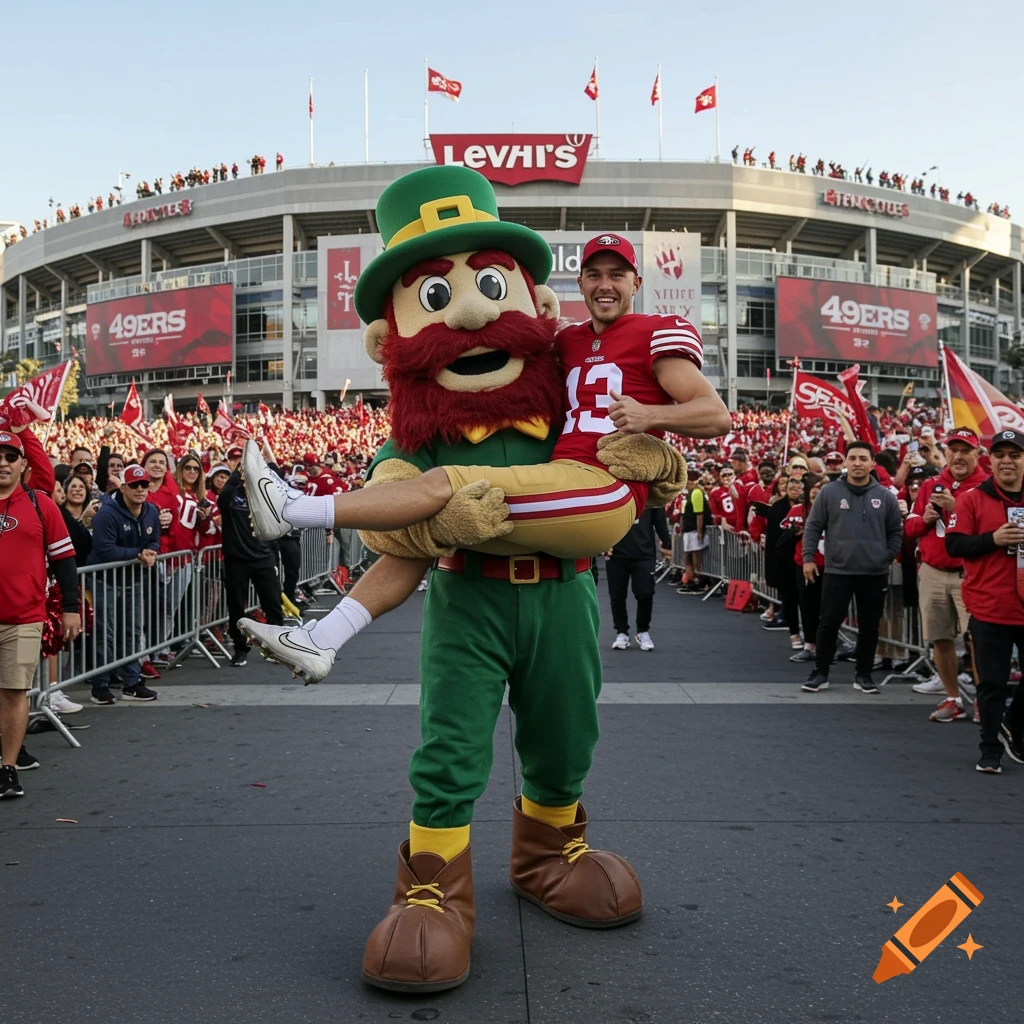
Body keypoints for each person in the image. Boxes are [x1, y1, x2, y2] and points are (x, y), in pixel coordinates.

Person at [241, 230, 725, 680]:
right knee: (421, 532)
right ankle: (319, 638)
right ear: (578, 283)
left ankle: (292, 510)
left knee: (444, 485)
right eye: (594, 275)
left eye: (617, 274)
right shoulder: (565, 341)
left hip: (599, 496)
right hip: (549, 493)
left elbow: (714, 415)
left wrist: (653, 426)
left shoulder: (660, 330)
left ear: (636, 281)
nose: (605, 285)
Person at [0, 432, 80, 799]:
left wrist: (70, 609)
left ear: (22, 465)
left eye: (10, 456)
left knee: (15, 692)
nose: (3, 462)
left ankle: (8, 767)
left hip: (24, 616)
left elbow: (65, 560)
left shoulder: (41, 504)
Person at [945, 428, 1024, 773]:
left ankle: (1011, 722)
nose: (1007, 461)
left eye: (1015, 455)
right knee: (991, 682)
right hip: (990, 605)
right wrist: (993, 539)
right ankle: (989, 748)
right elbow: (955, 545)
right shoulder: (972, 499)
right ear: (989, 460)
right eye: (1000, 455)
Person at [801, 442, 903, 694]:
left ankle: (864, 675)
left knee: (869, 627)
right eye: (853, 458)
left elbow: (895, 532)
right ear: (845, 462)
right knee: (828, 624)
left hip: (874, 573)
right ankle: (820, 672)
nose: (857, 463)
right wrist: (808, 558)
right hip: (838, 571)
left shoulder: (886, 496)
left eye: (863, 458)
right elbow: (813, 527)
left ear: (872, 463)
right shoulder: (829, 492)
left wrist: (885, 556)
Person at [903, 427, 987, 722]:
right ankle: (953, 697)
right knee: (940, 637)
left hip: (971, 573)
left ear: (978, 454)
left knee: (980, 639)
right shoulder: (931, 484)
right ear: (946, 452)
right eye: (954, 449)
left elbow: (987, 533)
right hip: (933, 570)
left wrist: (954, 511)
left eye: (966, 450)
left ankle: (983, 700)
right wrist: (925, 519)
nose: (959, 456)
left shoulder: (987, 486)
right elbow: (910, 528)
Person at [86, 465, 161, 705]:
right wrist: (140, 553)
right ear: (124, 487)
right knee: (104, 634)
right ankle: (100, 685)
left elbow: (154, 540)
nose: (140, 489)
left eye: (144, 485)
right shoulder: (107, 513)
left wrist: (150, 551)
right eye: (135, 485)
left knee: (132, 631)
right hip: (104, 581)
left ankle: (131, 682)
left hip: (133, 579)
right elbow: (104, 550)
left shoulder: (151, 510)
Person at [218, 469, 285, 667]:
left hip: (263, 558)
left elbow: (278, 478)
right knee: (236, 608)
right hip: (236, 560)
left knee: (273, 604)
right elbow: (225, 494)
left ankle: (278, 648)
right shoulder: (231, 498)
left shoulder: (264, 497)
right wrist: (241, 469)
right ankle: (240, 649)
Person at [607, 506, 672, 651]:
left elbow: (659, 520)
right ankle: (621, 632)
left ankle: (643, 631)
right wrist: (601, 545)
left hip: (644, 553)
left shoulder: (650, 493)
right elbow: (603, 518)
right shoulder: (615, 489)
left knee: (645, 593)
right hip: (617, 553)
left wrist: (667, 543)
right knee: (617, 595)